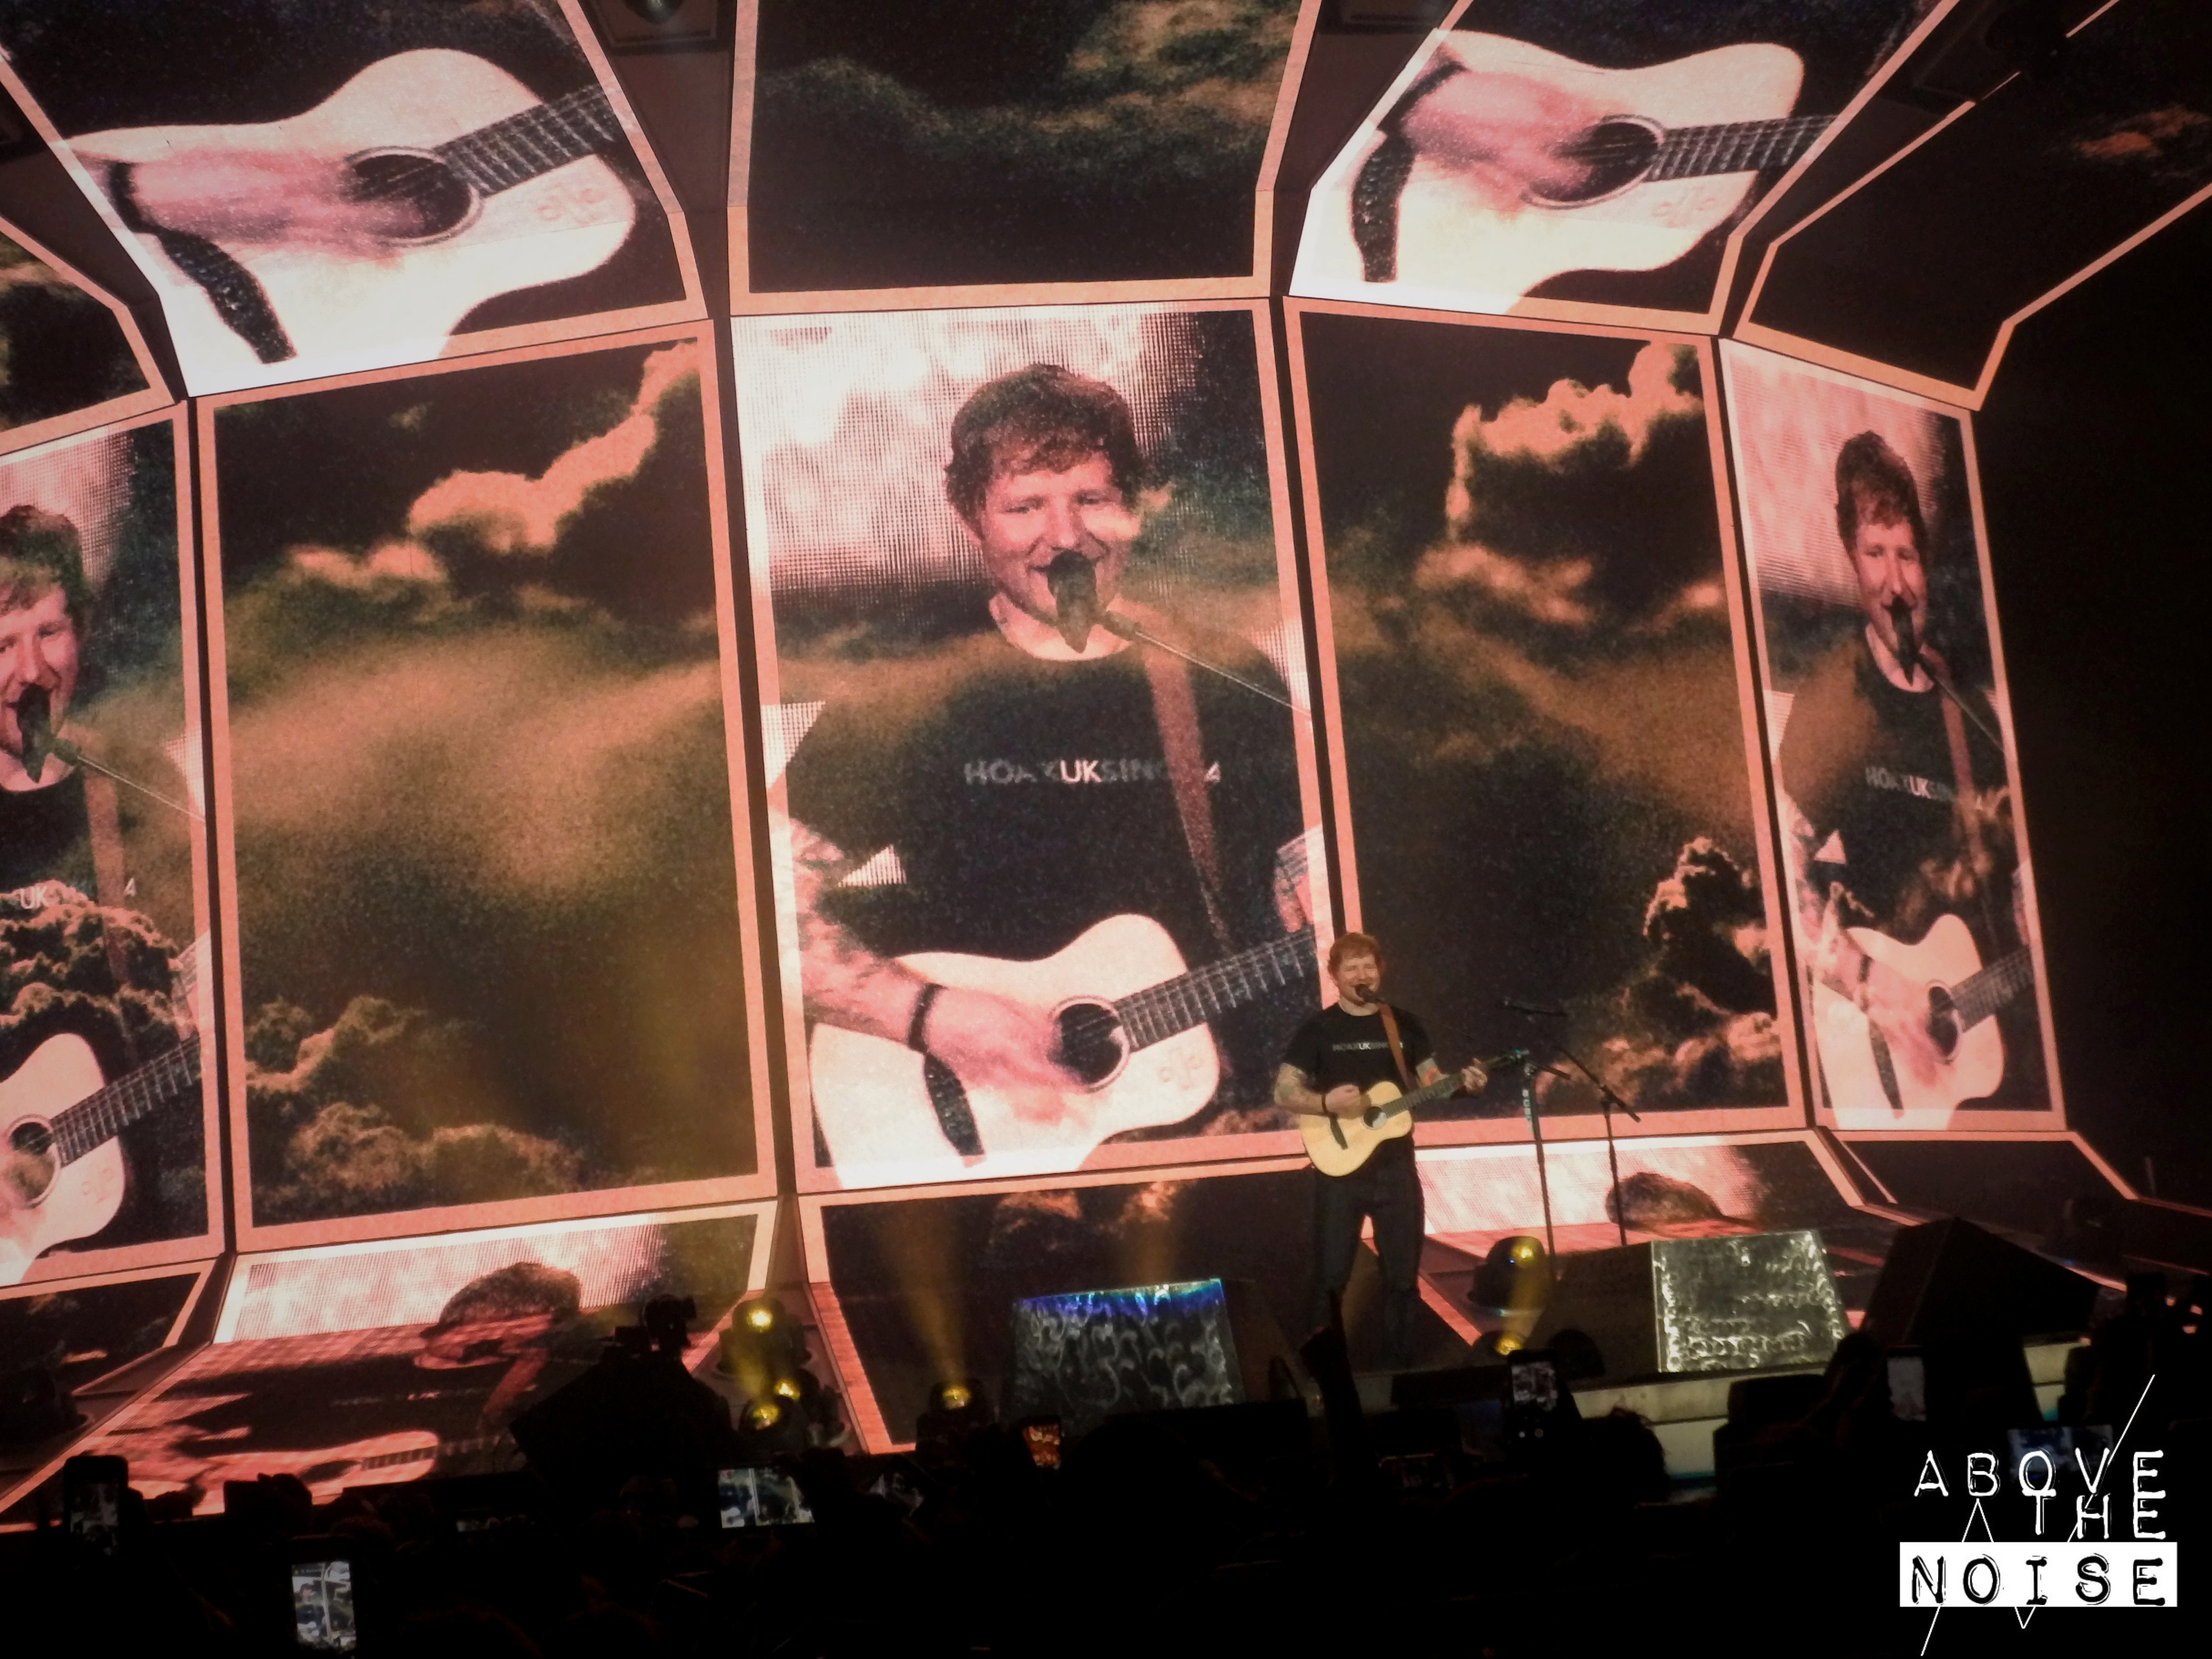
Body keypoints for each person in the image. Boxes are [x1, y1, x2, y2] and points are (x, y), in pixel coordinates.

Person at [782, 364, 1310, 1171]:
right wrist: (928, 1016)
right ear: (971, 520)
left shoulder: (1221, 674)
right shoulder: (910, 694)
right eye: (1025, 506)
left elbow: (1316, 883)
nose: (1064, 538)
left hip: (1229, 1126)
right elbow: (749, 904)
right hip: (1010, 1146)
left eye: (1091, 499)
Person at [1776, 432, 2033, 1113]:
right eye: (1874, 554)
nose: (1895, 584)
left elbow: (2020, 886)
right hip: (1896, 1064)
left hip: (2002, 1048)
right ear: (1850, 559)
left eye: (1907, 555)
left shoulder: (1970, 713)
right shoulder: (1832, 702)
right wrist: (1870, 981)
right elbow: (1779, 882)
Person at [1275, 932, 1486, 1368]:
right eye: (1351, 967)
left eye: (1368, 966)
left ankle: (1401, 1375)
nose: (1361, 974)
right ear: (1335, 976)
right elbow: (1284, 1091)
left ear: (1380, 971)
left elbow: (1431, 1080)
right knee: (1330, 1281)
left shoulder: (1403, 1024)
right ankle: (1321, 1378)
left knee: (1403, 1281)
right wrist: (1325, 1103)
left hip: (1396, 1170)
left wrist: (1464, 1086)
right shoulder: (1319, 1029)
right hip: (1340, 1175)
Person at [0, 504, 94, 893]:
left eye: (49, 632)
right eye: (2, 646)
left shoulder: (143, 780)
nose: (32, 672)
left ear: (80, 631)